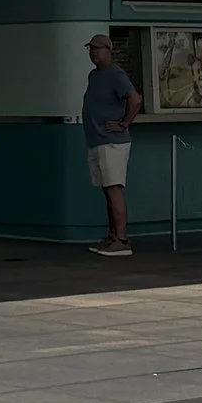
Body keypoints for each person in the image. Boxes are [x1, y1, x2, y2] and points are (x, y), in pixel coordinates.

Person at [81, 34, 142, 260]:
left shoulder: (116, 73)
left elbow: (134, 99)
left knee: (114, 187)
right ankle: (112, 235)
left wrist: (125, 122)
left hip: (112, 143)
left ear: (108, 50)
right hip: (97, 140)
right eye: (91, 48)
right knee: (107, 189)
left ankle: (122, 240)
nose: (93, 52)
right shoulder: (94, 76)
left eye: (98, 48)